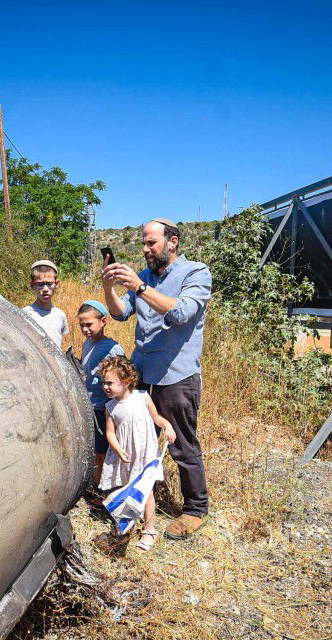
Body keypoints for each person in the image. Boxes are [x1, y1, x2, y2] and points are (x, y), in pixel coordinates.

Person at [102, 217, 212, 541]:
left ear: (172, 241)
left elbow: (180, 314)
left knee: (182, 445)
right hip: (141, 377)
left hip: (176, 376)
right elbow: (120, 312)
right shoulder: (146, 277)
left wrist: (139, 286)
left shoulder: (195, 273)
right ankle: (137, 505)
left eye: (151, 242)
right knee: (137, 443)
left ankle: (195, 509)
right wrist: (109, 286)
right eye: (143, 243)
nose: (146, 249)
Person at [94, 356, 176, 553]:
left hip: (145, 454)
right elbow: (110, 432)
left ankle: (149, 530)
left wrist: (168, 426)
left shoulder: (142, 397)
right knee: (128, 491)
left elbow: (156, 417)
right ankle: (126, 523)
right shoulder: (111, 407)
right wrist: (117, 448)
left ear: (126, 382)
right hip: (126, 456)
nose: (105, 387)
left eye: (110, 383)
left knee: (146, 491)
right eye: (103, 382)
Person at [76, 300, 125, 491]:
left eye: (89, 324)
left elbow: (122, 377)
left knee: (101, 450)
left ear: (103, 321)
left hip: (102, 408)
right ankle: (91, 482)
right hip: (88, 404)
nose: (85, 329)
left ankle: (100, 487)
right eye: (81, 325)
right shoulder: (87, 344)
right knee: (90, 447)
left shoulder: (112, 348)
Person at [22, 260, 69, 349]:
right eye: (40, 284)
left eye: (49, 283)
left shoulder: (60, 315)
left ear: (56, 284)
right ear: (32, 285)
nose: (45, 289)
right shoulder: (24, 314)